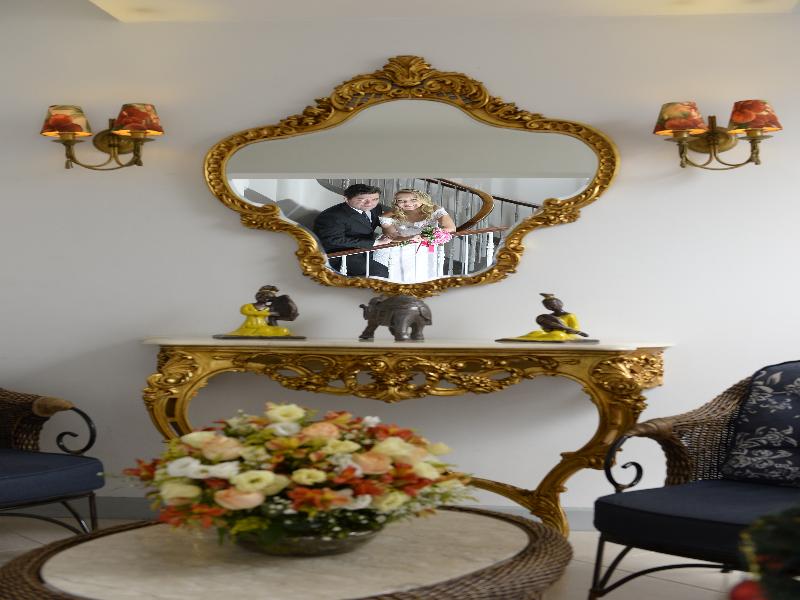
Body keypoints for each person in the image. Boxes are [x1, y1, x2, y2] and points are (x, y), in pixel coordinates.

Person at [373, 189, 456, 283]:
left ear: (422, 199)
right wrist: (411, 238)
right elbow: (391, 237)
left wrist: (429, 235)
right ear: (396, 202)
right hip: (400, 247)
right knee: (401, 276)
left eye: (413, 200)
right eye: (401, 201)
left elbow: (450, 228)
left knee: (426, 273)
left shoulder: (434, 210)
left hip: (427, 248)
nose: (408, 203)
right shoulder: (389, 215)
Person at [312, 183, 389, 278]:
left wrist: (392, 231)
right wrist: (375, 243)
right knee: (380, 272)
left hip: (365, 250)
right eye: (362, 199)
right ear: (346, 199)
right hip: (340, 255)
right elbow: (334, 240)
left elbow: (376, 223)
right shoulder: (331, 216)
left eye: (375, 199)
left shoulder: (375, 208)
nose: (369, 203)